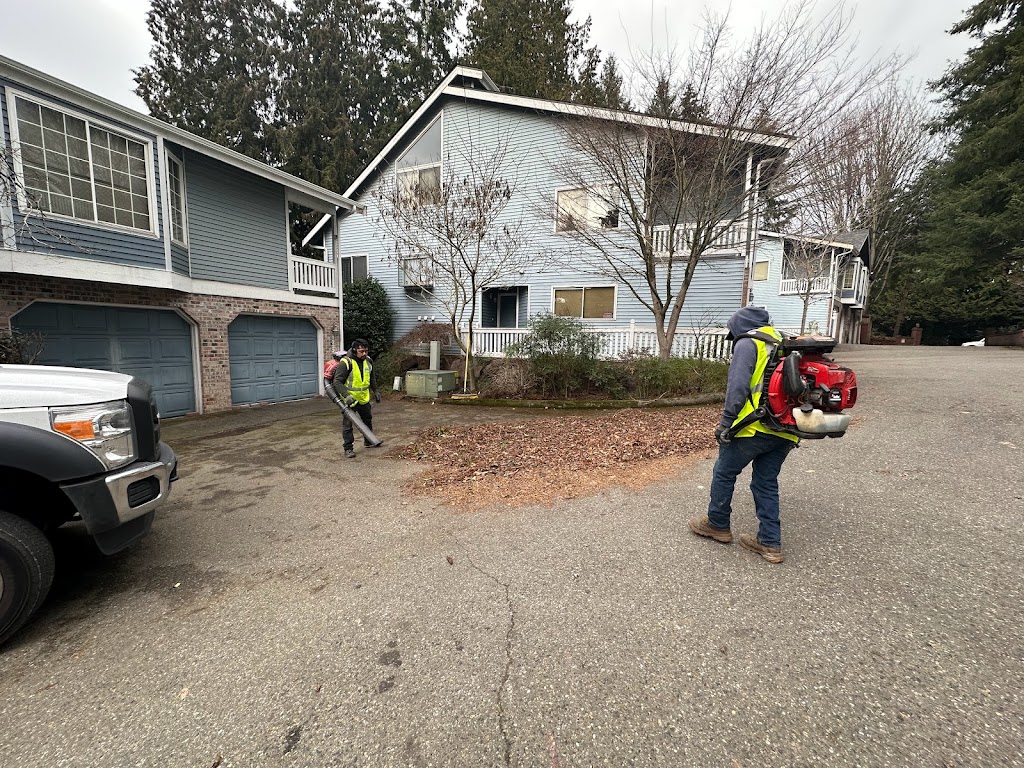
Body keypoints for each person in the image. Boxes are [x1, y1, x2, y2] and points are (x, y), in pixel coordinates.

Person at [688, 306, 799, 564]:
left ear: (739, 327)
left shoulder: (749, 343)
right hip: (785, 428)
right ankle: (770, 543)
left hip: (752, 426)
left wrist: (726, 423)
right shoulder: (784, 342)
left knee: (724, 472)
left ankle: (717, 524)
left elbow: (737, 388)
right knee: (766, 482)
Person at [331, 338, 382, 458]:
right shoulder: (346, 362)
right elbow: (337, 382)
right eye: (361, 351)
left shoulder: (368, 361)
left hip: (363, 398)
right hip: (350, 400)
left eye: (366, 351)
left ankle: (368, 440)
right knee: (348, 425)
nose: (364, 354)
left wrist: (376, 391)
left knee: (367, 420)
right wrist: (346, 396)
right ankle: (348, 448)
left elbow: (372, 378)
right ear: (354, 350)